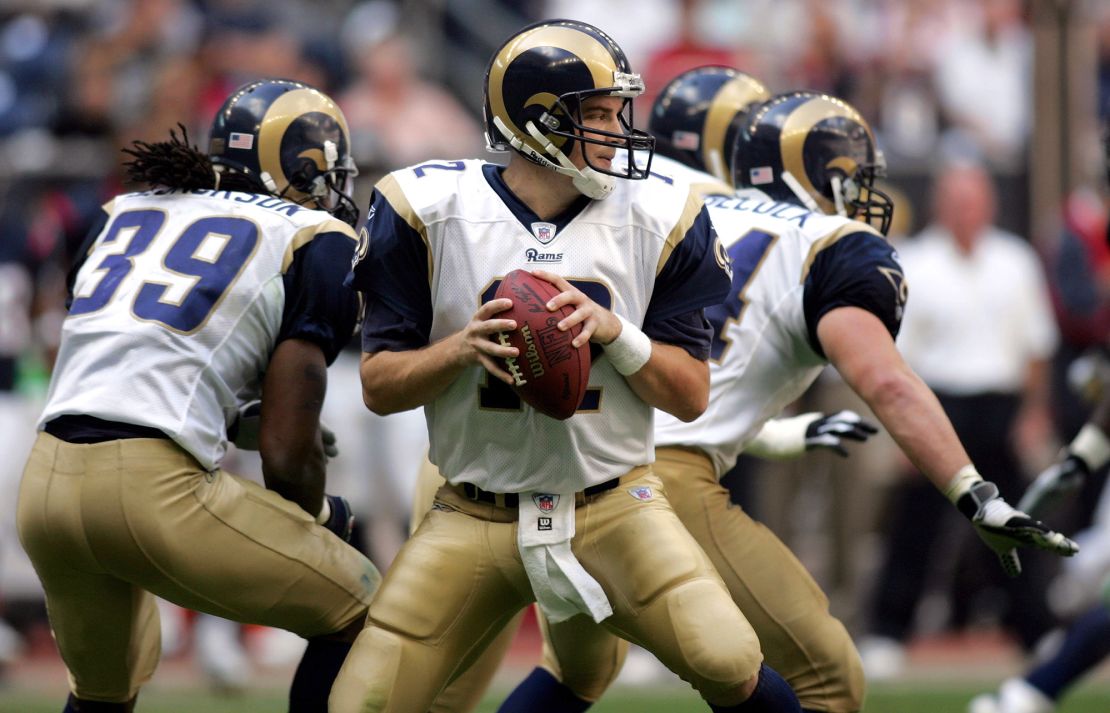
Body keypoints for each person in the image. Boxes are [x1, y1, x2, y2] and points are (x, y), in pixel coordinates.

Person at [492, 90, 1081, 713]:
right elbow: (884, 380)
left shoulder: (679, 203)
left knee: (578, 674)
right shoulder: (831, 244)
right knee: (827, 678)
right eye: (854, 177)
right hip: (657, 483)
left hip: (565, 457)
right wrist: (973, 492)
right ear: (820, 174)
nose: (862, 194)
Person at [331, 19, 805, 713]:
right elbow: (379, 386)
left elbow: (689, 395)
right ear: (537, 121)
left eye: (619, 112)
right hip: (473, 509)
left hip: (612, 504)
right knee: (361, 703)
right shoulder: (428, 209)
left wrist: (618, 332)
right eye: (601, 114)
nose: (619, 131)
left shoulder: (663, 215)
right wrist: (459, 348)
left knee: (726, 656)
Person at [15, 78, 381, 713]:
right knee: (365, 608)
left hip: (45, 482)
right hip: (151, 491)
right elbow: (287, 451)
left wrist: (222, 408)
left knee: (102, 695)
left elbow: (120, 344)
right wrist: (319, 517)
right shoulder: (315, 239)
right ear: (303, 167)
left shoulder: (121, 212)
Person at [858, 161, 1060, 679]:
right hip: (936, 403)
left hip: (1000, 405)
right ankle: (887, 630)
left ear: (988, 203)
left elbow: (1036, 347)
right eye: (956, 200)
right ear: (941, 205)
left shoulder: (1015, 261)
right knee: (915, 524)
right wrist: (903, 431)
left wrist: (1033, 414)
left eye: (973, 200)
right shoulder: (916, 262)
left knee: (1017, 520)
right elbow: (898, 357)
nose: (965, 210)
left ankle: (1034, 629)